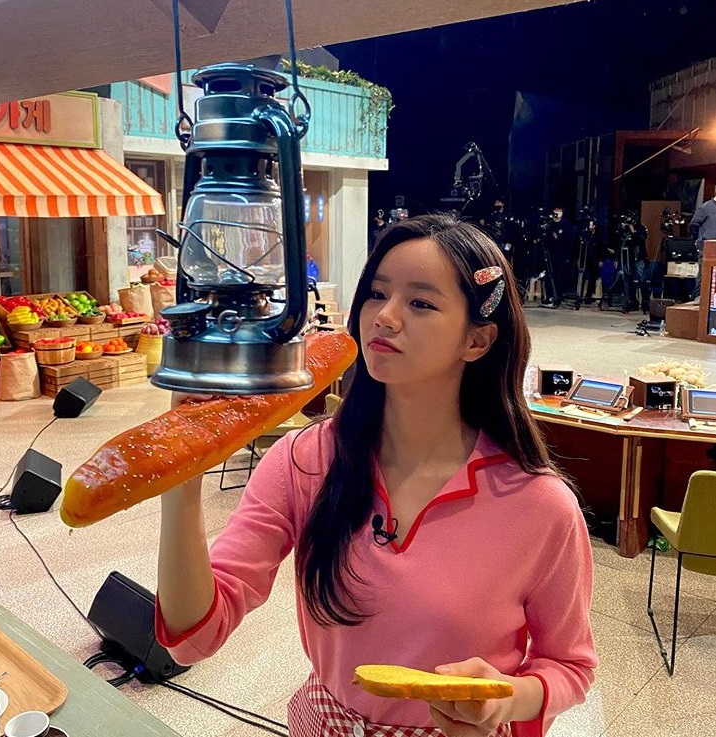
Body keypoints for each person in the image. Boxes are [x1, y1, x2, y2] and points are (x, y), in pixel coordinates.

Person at [155, 213, 598, 737]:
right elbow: (193, 637)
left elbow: (570, 665)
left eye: (421, 303)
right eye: (377, 294)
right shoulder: (304, 461)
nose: (384, 317)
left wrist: (504, 698)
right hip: (325, 725)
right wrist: (180, 481)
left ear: (477, 341)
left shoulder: (540, 505)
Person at [689, 185, 716, 300]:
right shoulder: (705, 207)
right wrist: (698, 240)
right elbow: (693, 225)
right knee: (704, 274)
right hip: (706, 247)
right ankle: (698, 298)